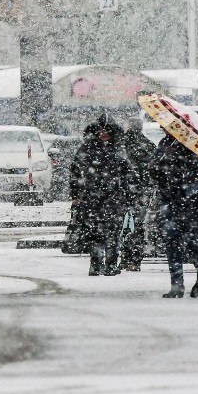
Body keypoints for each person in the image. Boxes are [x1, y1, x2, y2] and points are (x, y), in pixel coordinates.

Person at [149, 132, 198, 298]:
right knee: (171, 240)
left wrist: (182, 166)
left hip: (193, 201)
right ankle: (177, 284)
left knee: (192, 239)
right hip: (170, 199)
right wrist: (157, 165)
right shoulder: (165, 143)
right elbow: (156, 172)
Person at [69, 116, 136, 276]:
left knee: (111, 231)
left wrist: (129, 193)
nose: (104, 133)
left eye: (107, 130)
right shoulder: (88, 149)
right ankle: (97, 263)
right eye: (101, 130)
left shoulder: (115, 149)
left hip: (111, 197)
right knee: (95, 232)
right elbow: (75, 172)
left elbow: (128, 173)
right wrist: (76, 194)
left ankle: (110, 264)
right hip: (93, 197)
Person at [119, 116, 157, 271]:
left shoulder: (121, 144)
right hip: (143, 190)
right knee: (138, 224)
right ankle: (134, 259)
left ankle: (123, 256)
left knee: (122, 224)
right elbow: (155, 168)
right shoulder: (148, 145)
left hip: (122, 190)